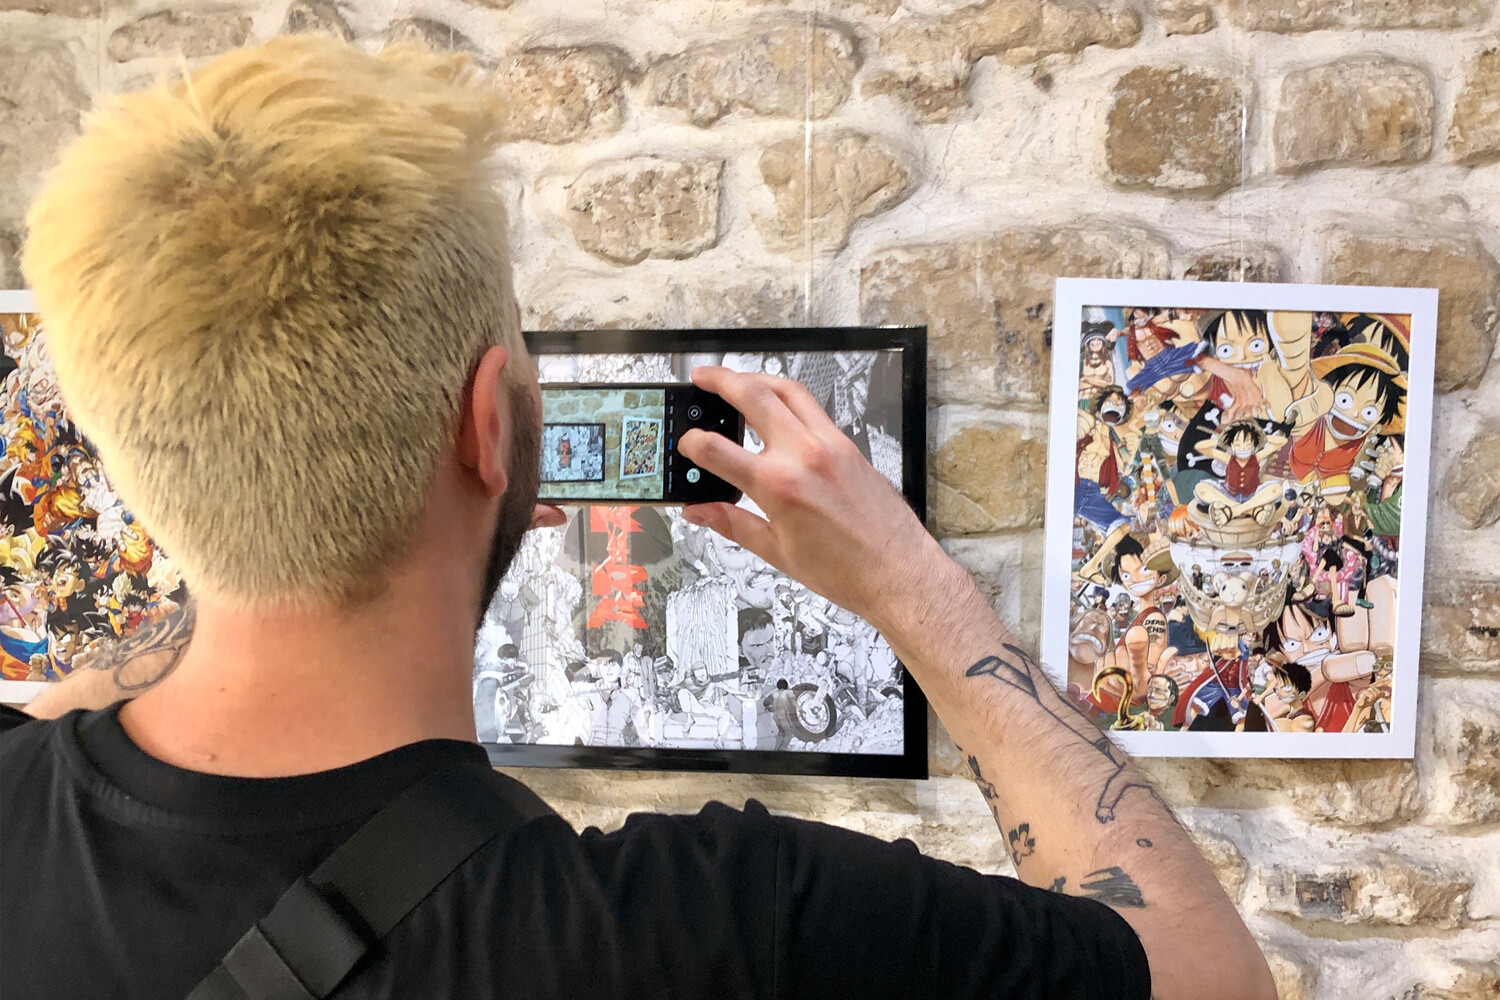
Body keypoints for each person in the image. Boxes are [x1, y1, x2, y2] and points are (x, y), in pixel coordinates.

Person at [1, 35, 1272, 1000]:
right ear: (492, 424)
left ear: (134, 459)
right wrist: (907, 579)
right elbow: (1211, 976)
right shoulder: (720, 925)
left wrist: (268, 517)